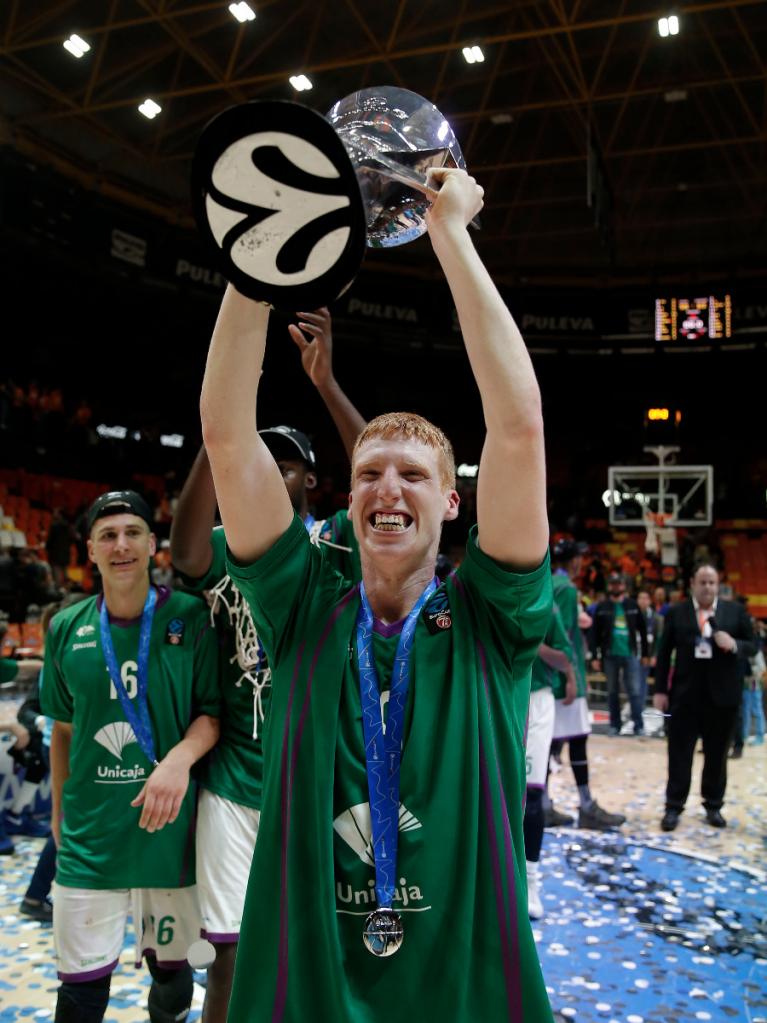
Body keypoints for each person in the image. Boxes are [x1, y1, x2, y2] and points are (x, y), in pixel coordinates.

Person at [200, 169, 555, 1022]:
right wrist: (258, 259)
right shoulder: (300, 599)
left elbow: (516, 426)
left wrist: (450, 236)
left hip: (461, 985)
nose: (387, 487)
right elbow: (224, 430)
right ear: (346, 496)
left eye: (412, 474)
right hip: (311, 982)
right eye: (368, 472)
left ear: (451, 501)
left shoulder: (493, 615)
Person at [171, 307, 364, 1023]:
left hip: (319, 775)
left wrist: (326, 383)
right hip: (236, 776)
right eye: (256, 459)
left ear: (310, 479)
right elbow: (185, 554)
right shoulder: (229, 543)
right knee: (227, 956)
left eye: (279, 463)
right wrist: (219, 439)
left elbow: (375, 477)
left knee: (324, 948)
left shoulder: (340, 546)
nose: (263, 470)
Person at [40, 490, 221, 1023]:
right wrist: (57, 813)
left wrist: (177, 761)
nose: (122, 545)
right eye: (108, 536)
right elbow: (64, 732)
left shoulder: (190, 617)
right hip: (91, 839)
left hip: (170, 836)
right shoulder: (65, 627)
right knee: (79, 990)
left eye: (133, 533)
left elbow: (212, 714)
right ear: (90, 551)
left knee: (173, 979)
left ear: (152, 545)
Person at [654, 562, 757, 832]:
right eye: (703, 582)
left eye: (712, 582)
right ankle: (673, 806)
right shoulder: (677, 613)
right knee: (679, 755)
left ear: (718, 584)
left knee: (717, 756)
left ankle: (713, 805)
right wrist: (660, 691)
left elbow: (753, 646)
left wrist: (734, 644)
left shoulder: (735, 612)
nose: (707, 587)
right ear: (692, 584)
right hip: (684, 698)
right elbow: (663, 654)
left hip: (723, 699)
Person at [545, 540, 626, 831]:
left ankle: (542, 804)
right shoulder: (566, 589)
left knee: (548, 743)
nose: (582, 562)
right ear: (574, 561)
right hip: (565, 676)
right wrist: (571, 675)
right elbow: (562, 634)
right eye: (580, 557)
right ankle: (587, 805)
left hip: (545, 677)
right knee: (577, 741)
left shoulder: (548, 582)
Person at [525, 603, 576, 919]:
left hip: (536, 701)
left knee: (531, 794)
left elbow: (564, 657)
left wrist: (532, 642)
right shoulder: (479, 587)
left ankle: (531, 882)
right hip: (491, 695)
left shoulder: (546, 604)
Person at [591, 573, 648, 736]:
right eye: (613, 584)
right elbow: (594, 634)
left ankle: (639, 725)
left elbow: (643, 631)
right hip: (609, 655)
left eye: (619, 584)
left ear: (624, 586)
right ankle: (615, 725)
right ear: (610, 587)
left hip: (630, 653)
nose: (616, 587)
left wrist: (645, 654)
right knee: (612, 691)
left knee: (635, 691)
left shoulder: (632, 605)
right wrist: (595, 656)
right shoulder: (602, 607)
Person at [636, 588, 664, 723]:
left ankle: (639, 708)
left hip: (647, 654)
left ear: (649, 600)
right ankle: (633, 707)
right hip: (633, 653)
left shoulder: (657, 618)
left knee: (642, 682)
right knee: (630, 682)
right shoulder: (632, 615)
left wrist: (654, 655)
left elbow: (659, 639)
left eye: (645, 598)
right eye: (640, 598)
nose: (643, 601)